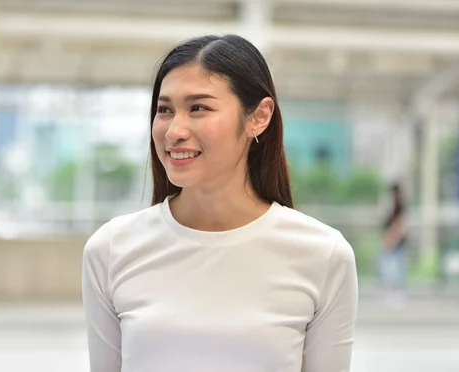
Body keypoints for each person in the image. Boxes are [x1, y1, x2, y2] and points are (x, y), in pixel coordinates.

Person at [82, 34, 358, 372]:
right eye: (165, 110)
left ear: (259, 116)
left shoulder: (324, 255)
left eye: (198, 108)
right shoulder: (111, 250)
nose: (174, 131)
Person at [379, 182, 408, 305]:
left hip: (395, 243)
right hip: (393, 242)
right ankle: (393, 293)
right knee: (392, 268)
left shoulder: (398, 207)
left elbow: (399, 226)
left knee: (394, 269)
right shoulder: (393, 207)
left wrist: (392, 241)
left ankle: (396, 294)